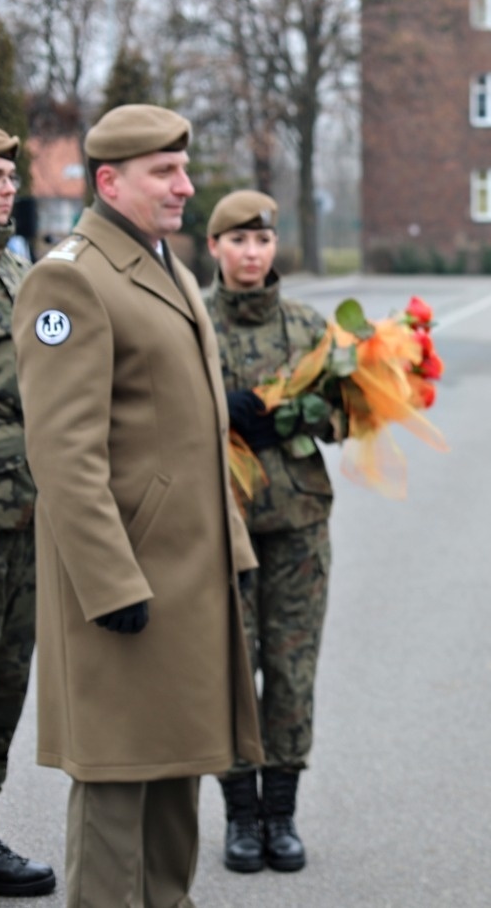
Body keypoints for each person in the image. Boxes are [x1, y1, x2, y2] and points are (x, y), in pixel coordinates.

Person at [12, 105, 264, 908]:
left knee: (176, 780)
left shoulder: (169, 268)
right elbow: (64, 454)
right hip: (124, 585)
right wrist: (110, 584)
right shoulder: (71, 277)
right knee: (119, 787)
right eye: (165, 172)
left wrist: (235, 552)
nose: (185, 187)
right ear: (109, 181)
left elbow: (194, 437)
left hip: (187, 579)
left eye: (184, 170)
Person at [203, 190, 337, 875]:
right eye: (238, 241)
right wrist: (215, 415)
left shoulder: (309, 325)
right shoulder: (190, 324)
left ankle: (280, 813)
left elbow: (347, 418)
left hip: (296, 527)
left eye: (262, 241)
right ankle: (239, 815)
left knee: (289, 669)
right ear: (214, 248)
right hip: (215, 530)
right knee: (229, 668)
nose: (252, 254)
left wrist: (302, 414)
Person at [0, 124, 55, 905]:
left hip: (23, 517)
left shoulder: (16, 273)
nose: (8, 188)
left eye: (10, 176)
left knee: (3, 681)